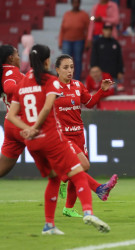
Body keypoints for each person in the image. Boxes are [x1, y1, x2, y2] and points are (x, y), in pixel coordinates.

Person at [7, 44, 110, 234]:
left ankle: (49, 225)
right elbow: (47, 109)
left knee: (54, 179)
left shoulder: (22, 84)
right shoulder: (50, 81)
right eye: (66, 67)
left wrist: (28, 129)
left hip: (32, 143)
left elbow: (11, 116)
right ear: (48, 62)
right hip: (52, 138)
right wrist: (36, 127)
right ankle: (88, 211)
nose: (70, 71)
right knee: (78, 173)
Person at [55, 54, 118, 217]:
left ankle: (68, 207)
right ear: (57, 70)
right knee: (84, 165)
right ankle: (99, 188)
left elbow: (89, 103)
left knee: (78, 170)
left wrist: (101, 91)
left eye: (71, 67)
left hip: (79, 135)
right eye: (65, 67)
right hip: (63, 137)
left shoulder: (77, 85)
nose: (70, 71)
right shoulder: (52, 88)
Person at [0, 45, 25, 178]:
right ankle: (96, 187)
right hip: (23, 123)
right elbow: (9, 87)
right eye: (17, 55)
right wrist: (28, 89)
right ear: (11, 58)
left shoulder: (3, 71)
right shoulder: (11, 71)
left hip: (11, 124)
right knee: (61, 156)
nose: (19, 58)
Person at [58, 0, 90, 81]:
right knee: (65, 61)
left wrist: (87, 42)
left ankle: (76, 80)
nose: (76, 4)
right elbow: (62, 29)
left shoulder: (84, 15)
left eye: (77, 2)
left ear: (80, 3)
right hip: (66, 40)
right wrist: (60, 41)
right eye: (74, 2)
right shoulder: (66, 14)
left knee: (78, 61)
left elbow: (88, 30)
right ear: (71, 3)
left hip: (79, 41)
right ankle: (64, 79)